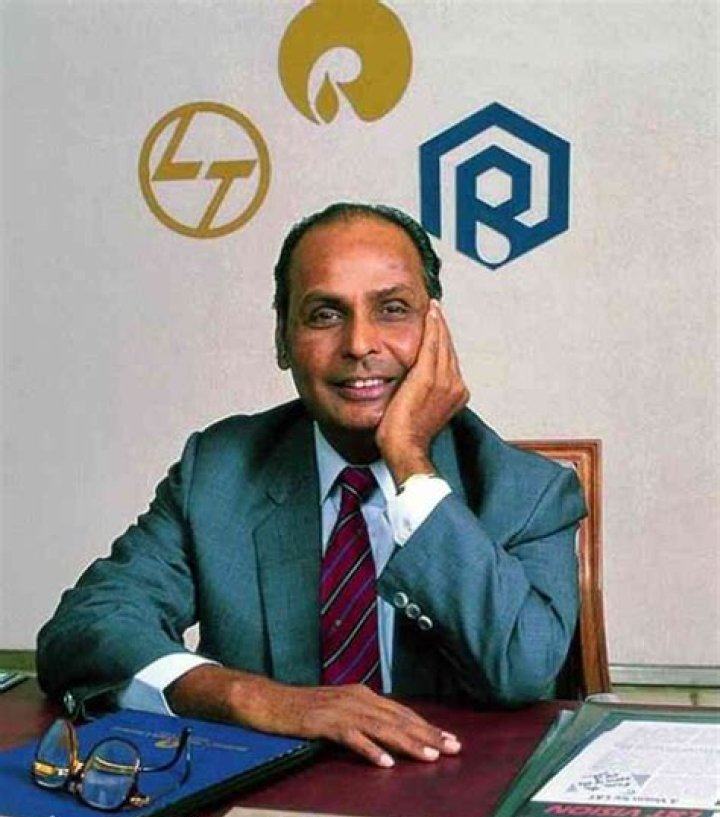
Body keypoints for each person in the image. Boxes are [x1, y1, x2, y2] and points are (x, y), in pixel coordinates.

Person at [37, 202, 586, 769]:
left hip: (449, 793)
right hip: (262, 795)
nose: (360, 344)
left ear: (435, 333)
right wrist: (250, 697)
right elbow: (85, 629)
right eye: (325, 314)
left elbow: (524, 669)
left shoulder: (527, 491)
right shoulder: (220, 470)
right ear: (283, 339)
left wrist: (410, 463)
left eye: (392, 310)